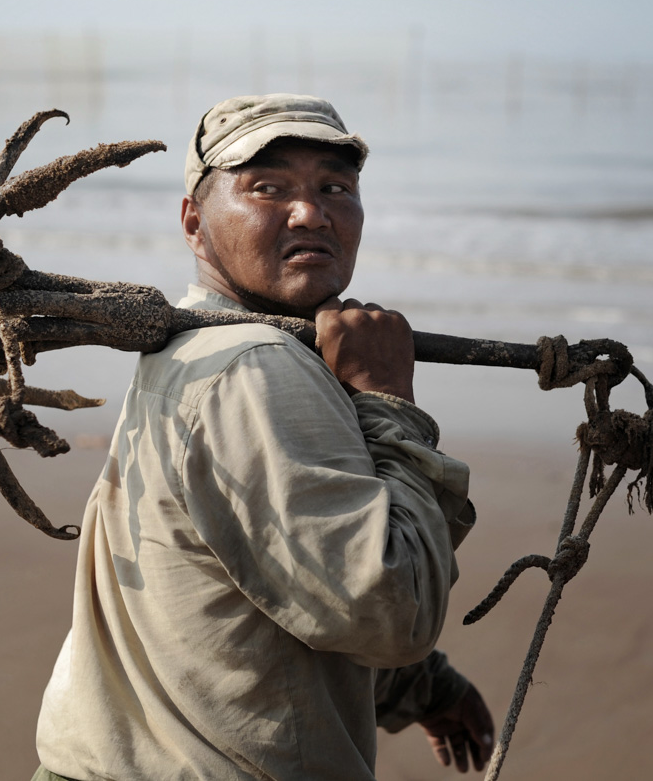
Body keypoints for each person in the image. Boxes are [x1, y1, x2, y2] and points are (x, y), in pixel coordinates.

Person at [33, 94, 493, 781]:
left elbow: (256, 584)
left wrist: (423, 687)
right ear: (195, 222)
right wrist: (387, 400)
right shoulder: (255, 368)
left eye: (335, 188)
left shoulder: (189, 342)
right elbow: (391, 613)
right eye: (268, 188)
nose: (312, 212)